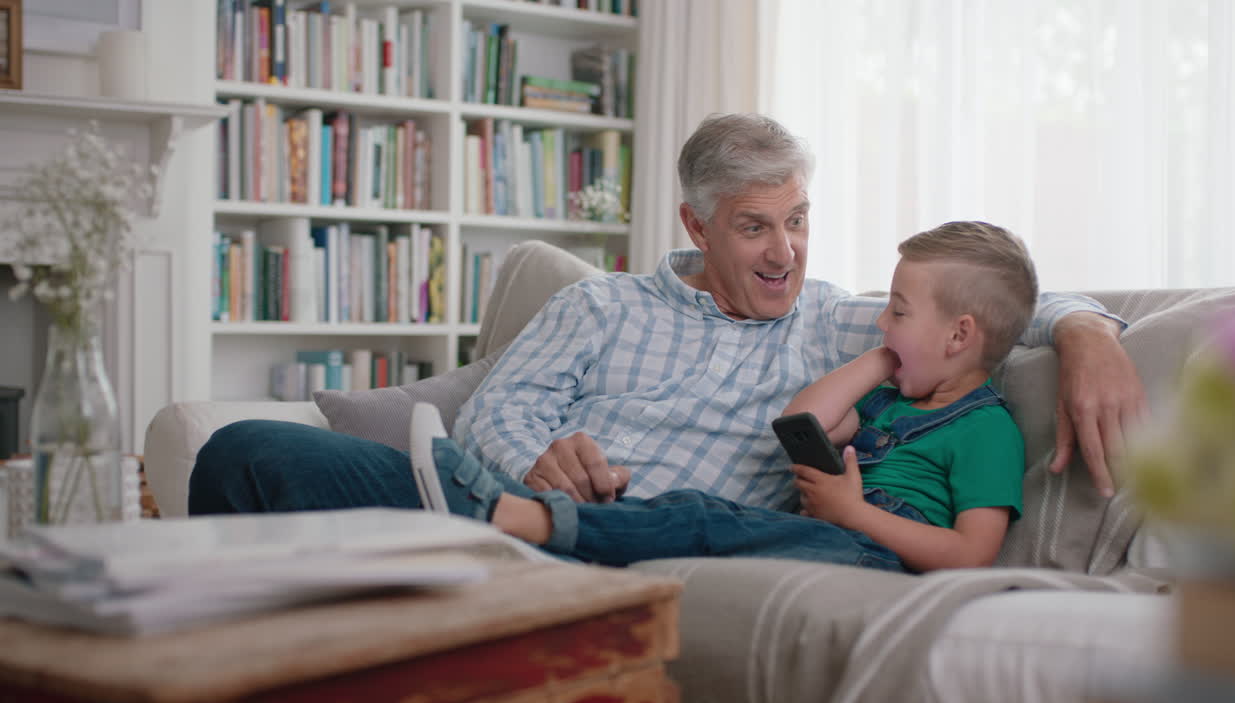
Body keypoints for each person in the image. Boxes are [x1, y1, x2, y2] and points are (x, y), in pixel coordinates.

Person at [189, 113, 1144, 519]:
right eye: (755, 227)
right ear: (696, 225)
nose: (785, 252)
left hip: (651, 537)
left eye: (798, 220)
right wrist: (543, 457)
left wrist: (1086, 331)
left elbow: (986, 305)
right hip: (498, 504)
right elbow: (496, 410)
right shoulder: (598, 304)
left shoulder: (834, 324)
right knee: (243, 451)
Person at [409, 220, 1034, 571]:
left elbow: (971, 554)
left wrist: (855, 514)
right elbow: (801, 420)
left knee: (702, 516)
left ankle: (513, 516)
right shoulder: (888, 399)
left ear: (959, 336)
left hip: (868, 553)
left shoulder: (984, 430)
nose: (879, 321)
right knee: (696, 512)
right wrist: (884, 355)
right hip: (820, 535)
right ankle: (489, 508)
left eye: (897, 312)